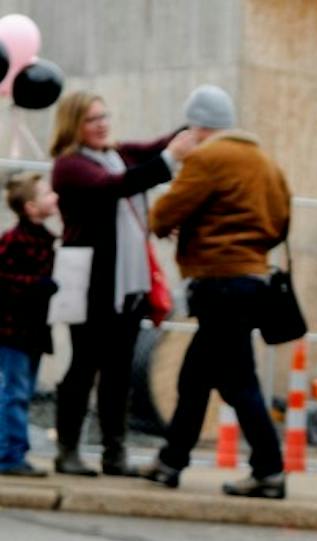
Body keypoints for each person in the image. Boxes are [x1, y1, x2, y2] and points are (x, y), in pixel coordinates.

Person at [136, 86, 292, 498]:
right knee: (195, 377)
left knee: (239, 381)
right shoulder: (265, 163)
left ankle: (269, 469)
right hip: (251, 280)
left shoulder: (206, 158)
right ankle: (171, 461)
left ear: (197, 125)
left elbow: (164, 214)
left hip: (218, 282)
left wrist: (181, 223)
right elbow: (280, 224)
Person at [49, 91, 196, 476]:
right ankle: (68, 451)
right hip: (90, 283)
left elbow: (154, 147)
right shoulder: (69, 167)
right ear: (74, 125)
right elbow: (114, 186)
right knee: (83, 367)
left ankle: (115, 453)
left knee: (118, 371)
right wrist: (169, 159)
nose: (101, 124)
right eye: (91, 119)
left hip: (128, 285)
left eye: (104, 116)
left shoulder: (118, 154)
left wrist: (195, 123)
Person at [0, 173, 59, 478]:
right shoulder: (14, 240)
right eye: (48, 194)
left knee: (22, 389)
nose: (55, 198)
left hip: (33, 329)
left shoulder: (45, 240)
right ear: (31, 207)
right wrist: (37, 285)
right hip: (14, 330)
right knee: (16, 391)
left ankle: (13, 450)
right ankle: (9, 454)